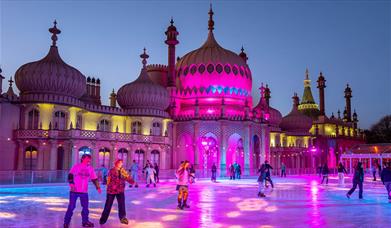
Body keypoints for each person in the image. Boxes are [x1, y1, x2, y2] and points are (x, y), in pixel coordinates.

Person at [64, 154, 101, 228]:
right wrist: (71, 184)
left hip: (84, 192)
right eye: (87, 158)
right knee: (71, 207)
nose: (89, 160)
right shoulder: (77, 166)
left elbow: (94, 178)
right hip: (74, 191)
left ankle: (85, 221)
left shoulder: (90, 168)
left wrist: (98, 187)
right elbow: (70, 175)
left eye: (89, 159)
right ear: (83, 159)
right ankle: (66, 222)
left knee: (85, 208)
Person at [99, 159, 135, 225]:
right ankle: (103, 219)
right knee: (108, 205)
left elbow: (127, 177)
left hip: (120, 190)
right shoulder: (112, 171)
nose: (121, 164)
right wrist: (109, 186)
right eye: (120, 163)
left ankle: (122, 218)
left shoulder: (122, 171)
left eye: (121, 163)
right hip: (111, 191)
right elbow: (108, 179)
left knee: (121, 205)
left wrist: (132, 181)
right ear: (116, 163)